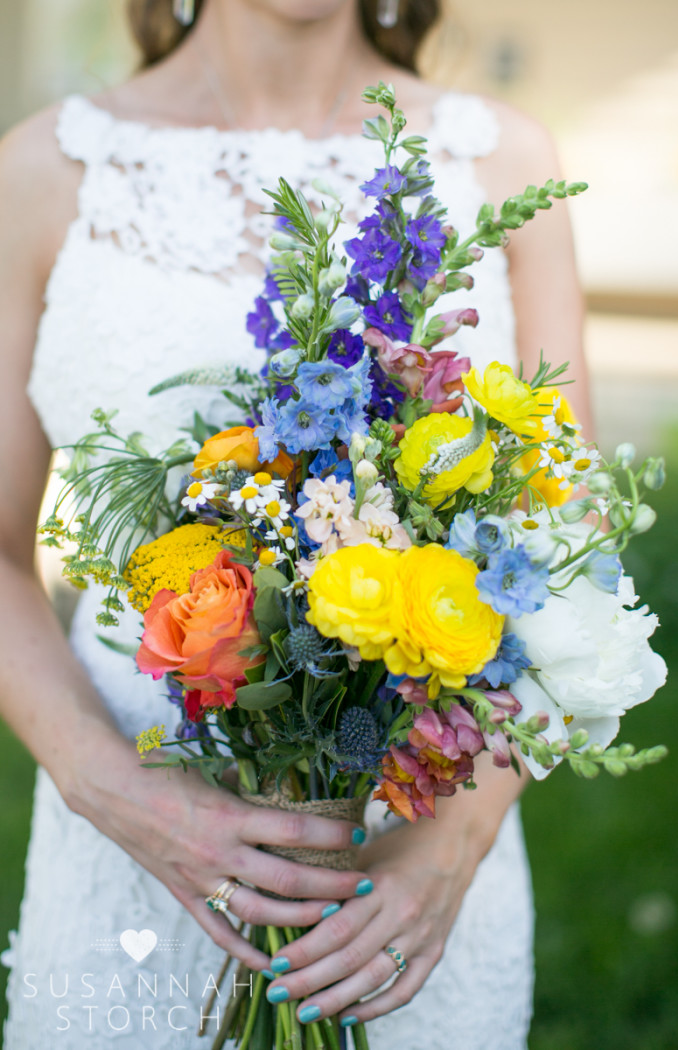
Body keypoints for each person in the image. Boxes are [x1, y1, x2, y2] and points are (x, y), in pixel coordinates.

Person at [0, 0, 591, 1046]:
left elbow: (563, 564)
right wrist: (122, 795)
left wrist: (451, 850)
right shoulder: (42, 173)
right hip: (128, 859)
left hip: (413, 877)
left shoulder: (503, 165)